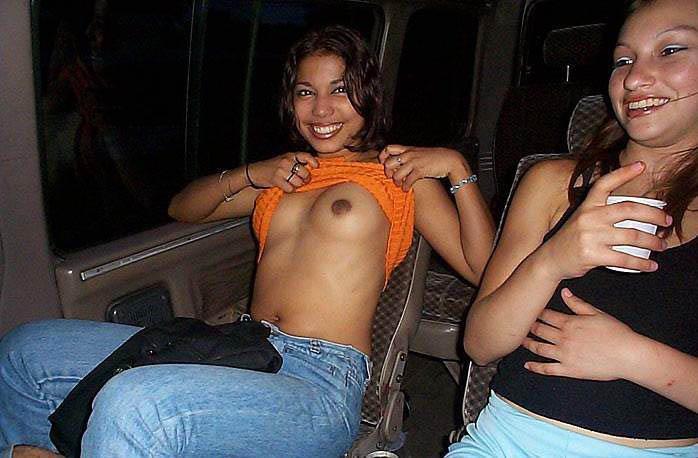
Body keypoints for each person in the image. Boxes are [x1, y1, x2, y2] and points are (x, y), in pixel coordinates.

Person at [0, 25, 494, 457]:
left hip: (319, 382)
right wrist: (251, 173)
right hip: (243, 347)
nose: (321, 109)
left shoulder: (398, 176)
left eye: (340, 90)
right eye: (305, 92)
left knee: (135, 405)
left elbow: (482, 268)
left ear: (368, 94)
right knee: (26, 351)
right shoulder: (288, 174)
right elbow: (183, 207)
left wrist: (457, 169)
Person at [447, 0, 698, 456]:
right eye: (623, 60)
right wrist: (554, 258)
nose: (634, 78)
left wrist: (632, 356)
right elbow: (480, 344)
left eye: (670, 51)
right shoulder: (552, 183)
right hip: (506, 443)